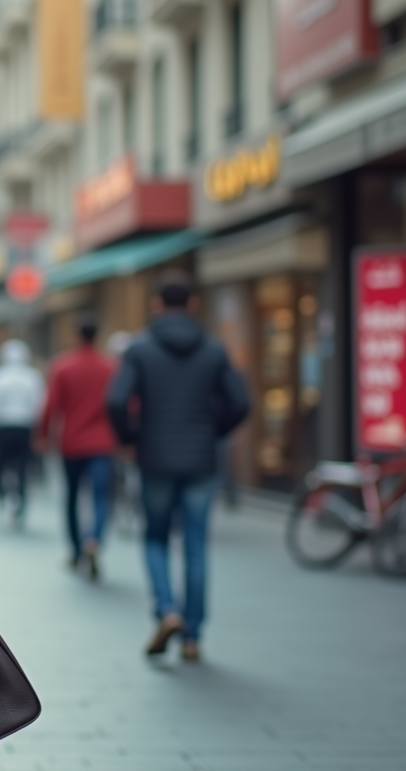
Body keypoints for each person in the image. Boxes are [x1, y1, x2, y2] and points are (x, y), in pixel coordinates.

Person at [106, 270, 249, 662]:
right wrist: (212, 431)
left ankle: (167, 610)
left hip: (154, 457)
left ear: (156, 305)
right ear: (193, 304)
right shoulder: (213, 350)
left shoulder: (141, 349)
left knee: (155, 537)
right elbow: (240, 403)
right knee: (196, 544)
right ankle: (193, 635)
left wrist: (130, 440)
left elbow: (117, 401)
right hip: (201, 459)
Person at [38, 313, 117, 579]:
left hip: (71, 443)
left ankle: (75, 550)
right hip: (103, 443)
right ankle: (94, 538)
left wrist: (44, 434)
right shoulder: (110, 367)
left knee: (72, 496)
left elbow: (52, 406)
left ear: (76, 335)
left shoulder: (62, 366)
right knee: (101, 496)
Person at [0, 339, 45, 527]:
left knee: (1, 462)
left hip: (3, 427)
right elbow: (39, 404)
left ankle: (1, 493)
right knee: (23, 465)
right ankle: (21, 498)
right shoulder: (33, 377)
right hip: (25, 427)